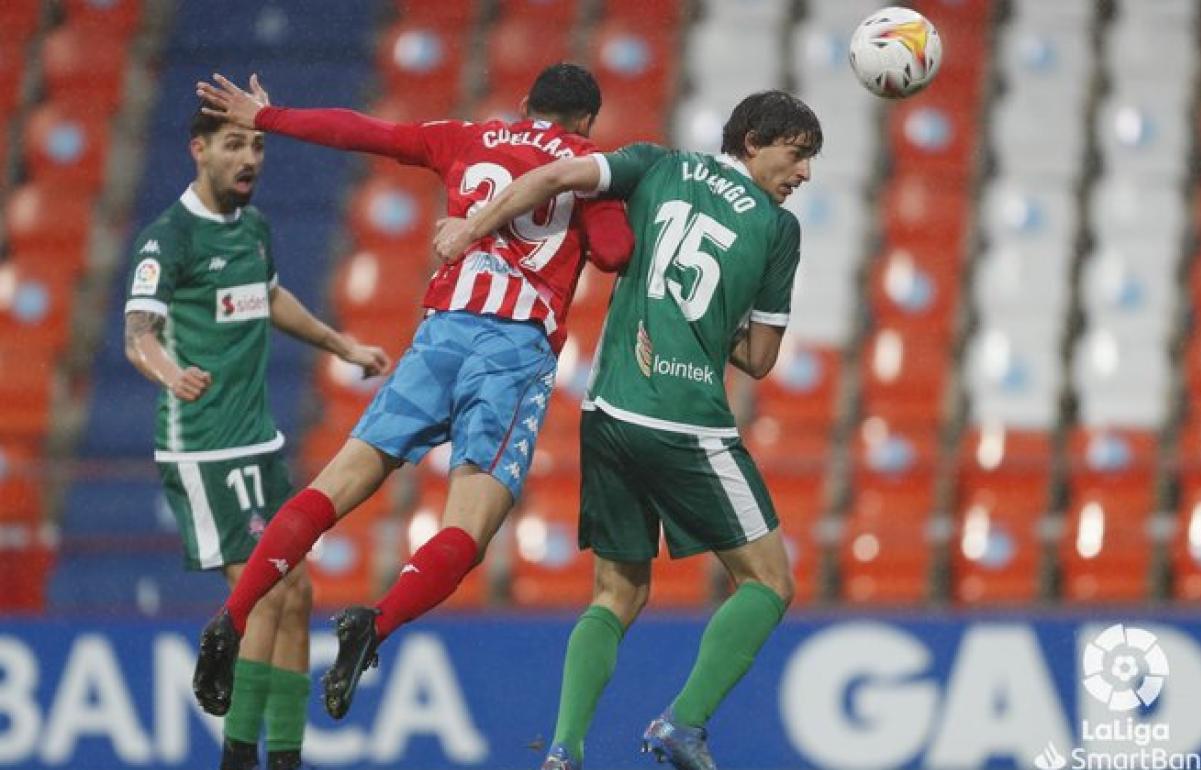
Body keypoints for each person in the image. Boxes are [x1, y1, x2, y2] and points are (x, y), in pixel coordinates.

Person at [189, 63, 634, 721]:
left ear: (523, 104)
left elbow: (362, 132)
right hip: (513, 352)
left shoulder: (470, 137)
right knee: (468, 527)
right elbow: (614, 252)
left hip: (441, 333)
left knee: (335, 484)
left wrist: (270, 118)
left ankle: (232, 614)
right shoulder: (591, 167)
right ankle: (375, 621)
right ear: (587, 123)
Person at [434, 90, 822, 770]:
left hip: (607, 410)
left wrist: (470, 229)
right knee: (768, 583)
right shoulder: (777, 229)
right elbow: (760, 360)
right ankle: (684, 723)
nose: (804, 175)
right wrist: (712, 322)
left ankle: (563, 749)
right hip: (684, 417)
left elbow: (553, 177)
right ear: (754, 141)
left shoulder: (655, 164)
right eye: (797, 155)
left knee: (617, 593)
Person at [123, 81, 392, 770]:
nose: (251, 157)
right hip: (205, 445)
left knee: (298, 594)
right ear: (199, 150)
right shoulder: (169, 237)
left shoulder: (254, 228)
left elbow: (269, 297)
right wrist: (168, 372)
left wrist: (343, 346)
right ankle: (242, 758)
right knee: (271, 589)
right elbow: (138, 333)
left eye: (259, 144)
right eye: (235, 143)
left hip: (260, 441)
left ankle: (286, 758)